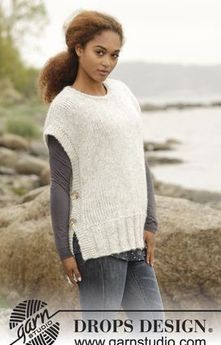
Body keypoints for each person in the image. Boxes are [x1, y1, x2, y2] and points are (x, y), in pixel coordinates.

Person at [38, 9, 164, 323]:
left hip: (133, 238)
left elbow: (139, 160)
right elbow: (60, 184)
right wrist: (64, 251)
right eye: (100, 52)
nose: (107, 62)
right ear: (78, 48)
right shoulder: (65, 107)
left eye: (114, 55)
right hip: (95, 242)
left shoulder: (123, 94)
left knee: (155, 333)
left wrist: (150, 223)